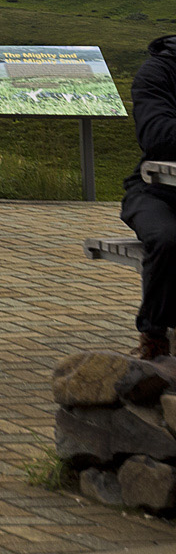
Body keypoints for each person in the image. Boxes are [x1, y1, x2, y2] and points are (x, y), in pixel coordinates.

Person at [120, 35, 176, 357]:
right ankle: (154, 339)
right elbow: (156, 135)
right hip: (157, 192)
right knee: (167, 239)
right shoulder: (158, 72)